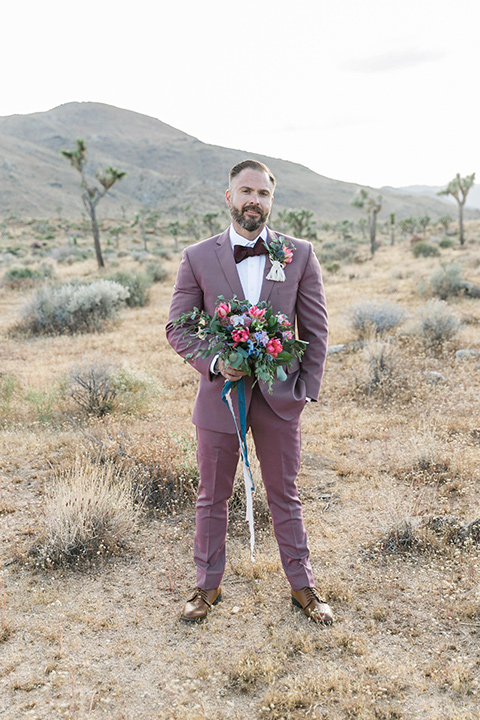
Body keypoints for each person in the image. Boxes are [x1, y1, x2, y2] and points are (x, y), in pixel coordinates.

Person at [166, 159, 333, 625]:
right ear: (229, 197)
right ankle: (206, 586)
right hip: (221, 396)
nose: (254, 200)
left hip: (281, 401)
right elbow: (177, 328)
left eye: (263, 193)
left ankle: (303, 587)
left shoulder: (299, 253)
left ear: (271, 201)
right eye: (246, 192)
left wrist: (305, 389)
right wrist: (217, 362)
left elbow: (316, 329)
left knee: (286, 492)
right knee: (211, 495)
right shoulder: (198, 256)